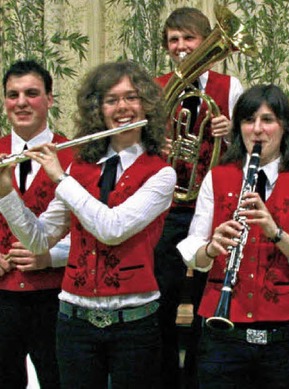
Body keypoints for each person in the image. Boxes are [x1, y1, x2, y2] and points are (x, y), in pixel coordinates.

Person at [0, 60, 176, 388]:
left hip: (134, 323)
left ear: (146, 105)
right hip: (74, 322)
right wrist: (6, 192)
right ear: (99, 109)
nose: (122, 107)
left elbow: (112, 229)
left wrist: (59, 178)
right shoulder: (81, 169)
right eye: (111, 100)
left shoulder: (162, 174)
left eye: (131, 97)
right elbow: (39, 240)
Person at [177, 84, 289, 388]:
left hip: (284, 338)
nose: (257, 130)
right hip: (223, 337)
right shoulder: (217, 177)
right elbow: (193, 247)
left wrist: (276, 232)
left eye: (268, 120)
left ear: (284, 126)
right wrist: (210, 247)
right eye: (248, 120)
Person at [154, 7, 244, 388]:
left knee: (210, 300)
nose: (181, 47)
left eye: (189, 38)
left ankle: (201, 375)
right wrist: (159, 142)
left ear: (206, 42)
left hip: (212, 209)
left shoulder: (230, 88)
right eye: (174, 40)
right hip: (168, 208)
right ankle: (164, 375)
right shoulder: (156, 87)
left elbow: (249, 150)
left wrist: (229, 131)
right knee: (164, 298)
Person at [0, 60, 73, 389]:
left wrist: (51, 256)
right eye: (12, 95)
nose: (21, 102)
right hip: (1, 297)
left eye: (31, 93)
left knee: (58, 381)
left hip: (55, 296)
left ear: (50, 99)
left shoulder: (76, 155)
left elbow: (90, 230)